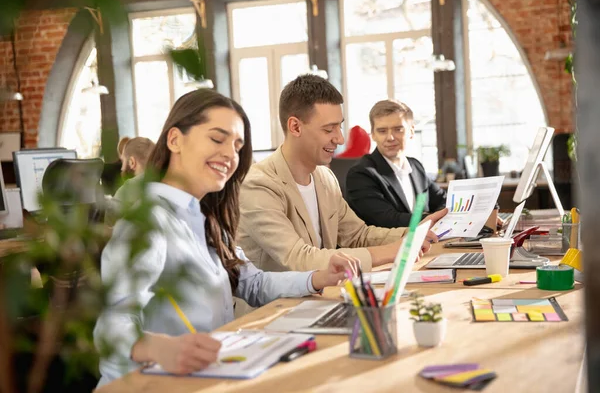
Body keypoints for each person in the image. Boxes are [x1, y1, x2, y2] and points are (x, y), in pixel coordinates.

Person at [93, 89, 359, 386]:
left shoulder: (206, 219)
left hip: (210, 376)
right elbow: (111, 324)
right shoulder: (145, 221)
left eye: (237, 146)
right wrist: (159, 348)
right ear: (174, 140)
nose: (230, 154)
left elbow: (251, 282)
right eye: (217, 139)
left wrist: (318, 277)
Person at [238, 75, 447, 274]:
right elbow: (298, 258)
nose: (339, 139)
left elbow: (357, 235)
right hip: (272, 308)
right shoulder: (258, 185)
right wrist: (391, 251)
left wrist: (410, 234)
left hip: (320, 297)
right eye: (329, 130)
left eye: (339, 127)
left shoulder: (325, 178)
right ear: (295, 126)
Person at [345, 99, 447, 228]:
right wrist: (434, 218)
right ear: (373, 135)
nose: (390, 137)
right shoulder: (361, 174)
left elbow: (443, 201)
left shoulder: (415, 166)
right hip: (387, 247)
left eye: (398, 129)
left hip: (425, 244)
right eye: (382, 131)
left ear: (411, 131)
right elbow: (387, 220)